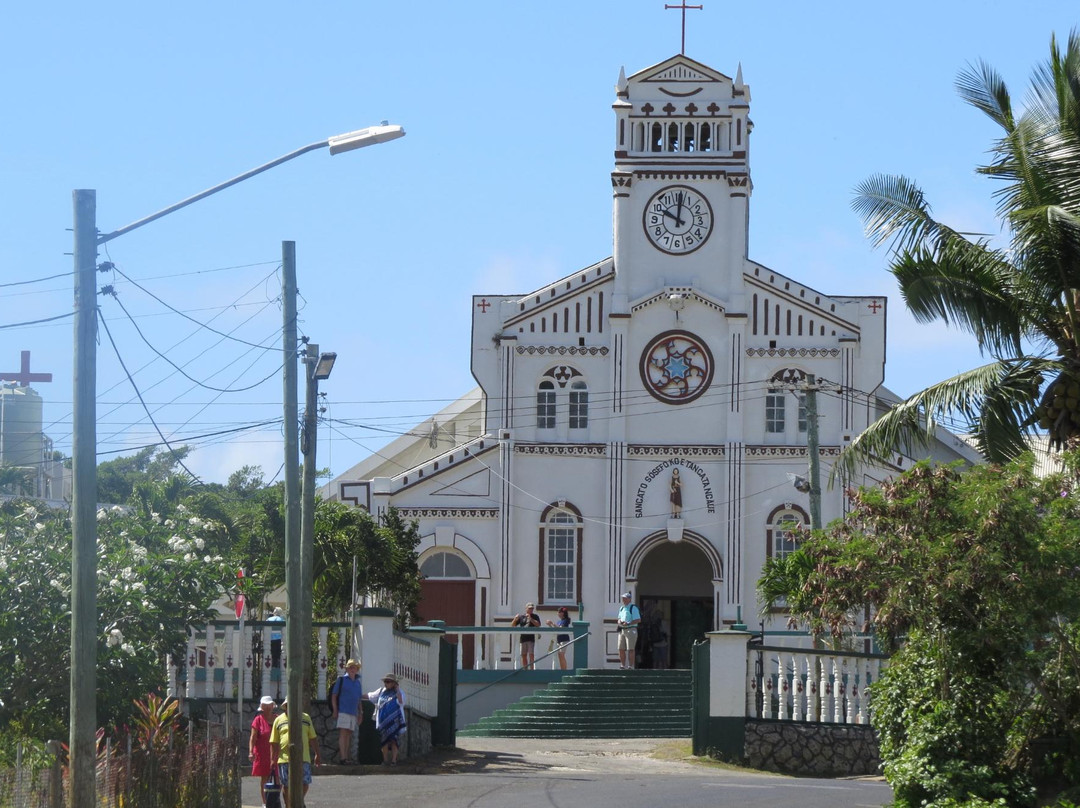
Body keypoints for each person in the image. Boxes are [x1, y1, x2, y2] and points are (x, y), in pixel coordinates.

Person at [269, 696, 320, 806]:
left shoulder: (305, 718)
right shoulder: (278, 720)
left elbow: (313, 737)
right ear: (285, 707)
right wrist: (272, 759)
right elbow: (274, 742)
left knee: (305, 783)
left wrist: (317, 754)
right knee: (286, 785)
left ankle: (298, 802)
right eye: (289, 705)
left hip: (303, 757)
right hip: (284, 759)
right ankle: (289, 805)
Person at [329, 658, 364, 764]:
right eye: (351, 667)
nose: (353, 669)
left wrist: (360, 713)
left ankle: (346, 757)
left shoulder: (358, 683)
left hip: (353, 712)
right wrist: (335, 710)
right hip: (343, 710)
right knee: (343, 733)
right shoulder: (342, 680)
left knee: (348, 734)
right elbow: (334, 696)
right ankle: (343, 758)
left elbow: (358, 699)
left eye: (355, 668)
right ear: (347, 669)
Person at [368, 673, 407, 766]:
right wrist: (358, 696)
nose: (386, 683)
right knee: (384, 741)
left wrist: (397, 690)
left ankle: (393, 760)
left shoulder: (399, 692)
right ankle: (385, 760)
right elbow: (371, 696)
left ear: (394, 683)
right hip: (383, 721)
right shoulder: (381, 691)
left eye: (388, 682)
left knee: (394, 740)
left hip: (395, 721)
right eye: (385, 681)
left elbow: (401, 701)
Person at [249, 696, 277, 806]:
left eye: (269, 705)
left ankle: (275, 801)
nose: (268, 707)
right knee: (265, 778)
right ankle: (265, 803)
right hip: (262, 753)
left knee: (277, 778)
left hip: (275, 753)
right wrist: (251, 752)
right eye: (265, 705)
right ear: (262, 707)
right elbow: (253, 737)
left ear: (272, 706)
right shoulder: (258, 720)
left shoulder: (277, 718)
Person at [511, 602, 542, 669]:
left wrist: (531, 619)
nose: (531, 610)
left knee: (531, 655)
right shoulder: (522, 617)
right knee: (523, 655)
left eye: (532, 608)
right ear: (526, 609)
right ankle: (525, 669)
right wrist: (515, 619)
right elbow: (513, 625)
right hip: (523, 639)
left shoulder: (535, 616)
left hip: (531, 639)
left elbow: (538, 625)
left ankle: (532, 669)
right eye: (529, 608)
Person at [617, 591, 641, 669]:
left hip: (631, 629)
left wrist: (628, 623)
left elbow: (638, 620)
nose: (623, 599)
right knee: (621, 648)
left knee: (630, 648)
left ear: (629, 599)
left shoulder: (633, 608)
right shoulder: (621, 608)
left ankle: (630, 666)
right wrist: (620, 621)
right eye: (623, 598)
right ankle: (622, 665)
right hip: (622, 630)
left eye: (625, 598)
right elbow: (619, 618)